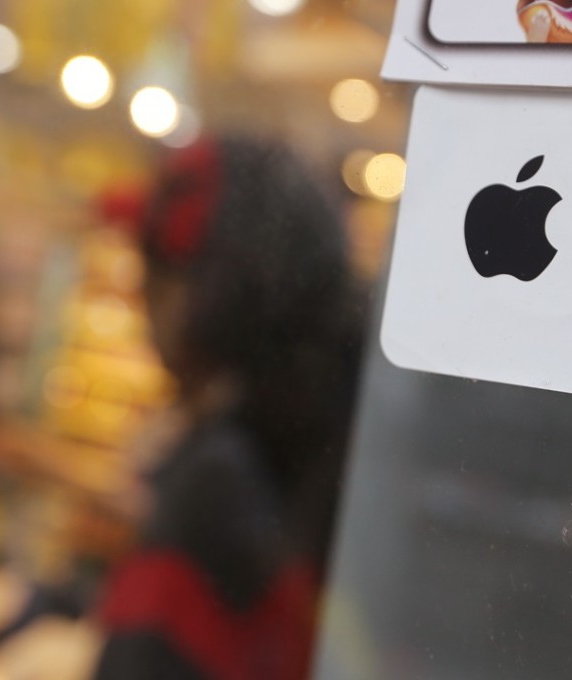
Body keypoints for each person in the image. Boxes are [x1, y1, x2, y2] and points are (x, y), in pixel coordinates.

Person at [92, 136, 366, 680]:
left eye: (153, 275)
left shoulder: (217, 476)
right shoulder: (336, 439)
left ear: (203, 293)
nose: (140, 303)